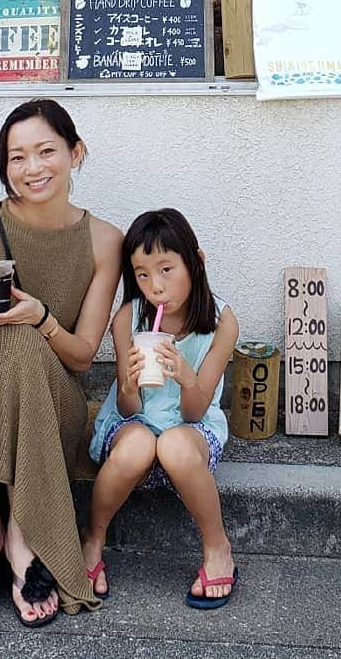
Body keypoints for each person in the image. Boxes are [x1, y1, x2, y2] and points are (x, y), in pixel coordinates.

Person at [0, 100, 122, 626]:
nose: (32, 169)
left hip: (51, 403)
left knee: (21, 340)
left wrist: (39, 318)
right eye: (17, 157)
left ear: (76, 154)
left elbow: (80, 358)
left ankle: (24, 531)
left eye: (46, 151)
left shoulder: (105, 241)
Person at [83, 209, 240, 609]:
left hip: (189, 426)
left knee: (172, 444)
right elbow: (126, 406)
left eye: (167, 269)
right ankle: (92, 540)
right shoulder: (127, 319)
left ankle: (217, 547)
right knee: (138, 445)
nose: (155, 286)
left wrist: (187, 376)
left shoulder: (222, 324)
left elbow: (194, 411)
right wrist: (129, 382)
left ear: (196, 263)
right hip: (133, 423)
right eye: (142, 274)